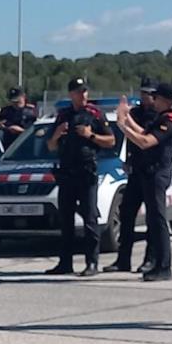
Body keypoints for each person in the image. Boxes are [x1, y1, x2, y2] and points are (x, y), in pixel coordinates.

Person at [45, 77, 115, 276]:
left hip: (86, 173)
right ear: (71, 94)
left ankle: (92, 263)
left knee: (90, 219)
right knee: (65, 220)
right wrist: (57, 133)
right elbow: (50, 146)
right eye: (78, 91)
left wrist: (90, 135)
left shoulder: (95, 114)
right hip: (67, 173)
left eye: (85, 91)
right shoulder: (63, 116)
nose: (83, 95)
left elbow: (111, 141)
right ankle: (65, 263)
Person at [117, 82, 172, 282]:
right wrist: (127, 118)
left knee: (158, 221)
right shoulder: (162, 118)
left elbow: (145, 142)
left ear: (165, 100)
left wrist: (121, 126)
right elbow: (144, 133)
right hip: (149, 173)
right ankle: (158, 265)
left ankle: (163, 266)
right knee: (153, 220)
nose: (154, 100)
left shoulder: (169, 121)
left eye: (157, 97)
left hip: (157, 174)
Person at [104, 77, 157, 273]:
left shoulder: (156, 115)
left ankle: (150, 259)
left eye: (149, 94)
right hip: (135, 171)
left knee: (152, 218)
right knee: (126, 215)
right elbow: (128, 136)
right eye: (143, 93)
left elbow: (144, 134)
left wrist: (127, 119)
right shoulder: (136, 112)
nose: (145, 97)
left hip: (151, 171)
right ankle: (123, 259)